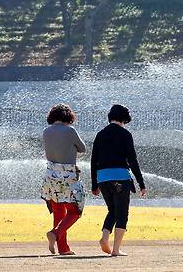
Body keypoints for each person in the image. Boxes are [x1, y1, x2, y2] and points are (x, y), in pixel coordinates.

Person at [91, 104, 146, 256]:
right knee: (122, 213)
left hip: (102, 178)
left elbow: (93, 160)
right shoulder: (125, 134)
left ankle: (104, 237)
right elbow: (132, 160)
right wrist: (141, 184)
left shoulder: (100, 134)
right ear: (124, 119)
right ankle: (115, 249)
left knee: (112, 210)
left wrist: (94, 184)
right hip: (121, 178)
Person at [40, 103, 86, 255]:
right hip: (68, 176)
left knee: (58, 210)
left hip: (50, 175)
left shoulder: (46, 131)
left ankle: (63, 248)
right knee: (75, 211)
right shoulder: (70, 130)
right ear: (68, 117)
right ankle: (55, 233)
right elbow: (82, 148)